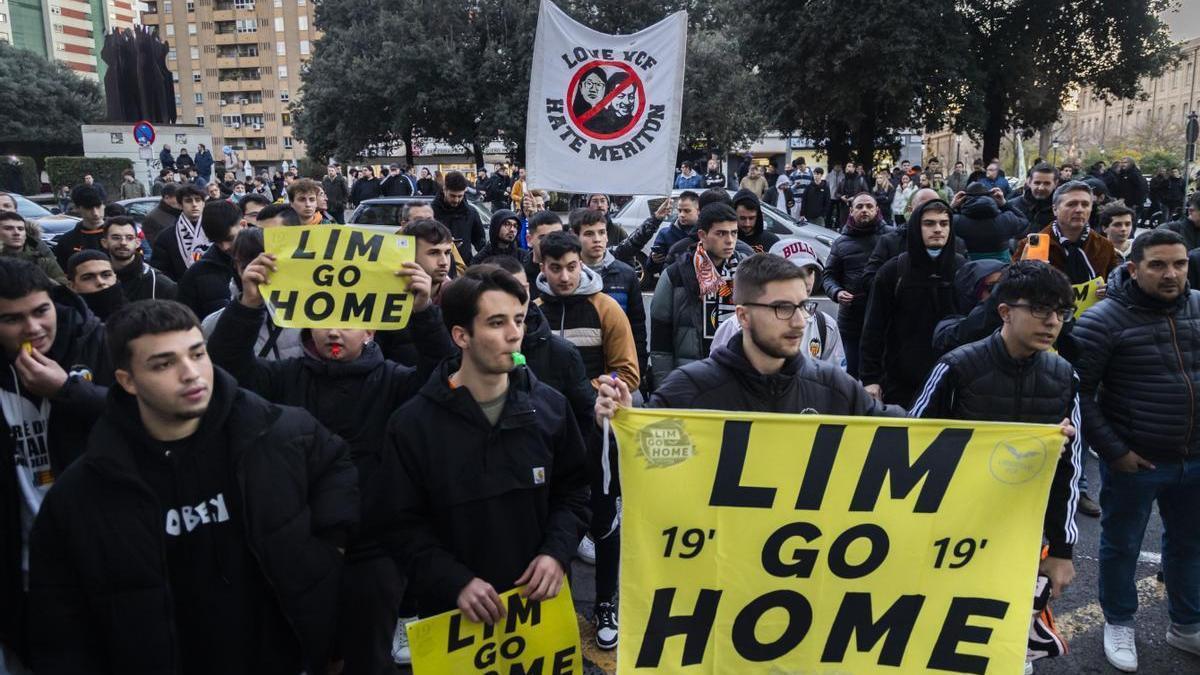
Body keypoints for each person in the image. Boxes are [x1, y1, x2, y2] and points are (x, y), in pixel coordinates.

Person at [28, 299, 358, 674]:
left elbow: (335, 465)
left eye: (197, 354)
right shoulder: (83, 494)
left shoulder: (279, 432)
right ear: (127, 381)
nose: (191, 374)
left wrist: (329, 551)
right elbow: (61, 625)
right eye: (164, 364)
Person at [209, 241, 447, 675]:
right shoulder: (282, 377)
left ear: (371, 331)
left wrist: (425, 311)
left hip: (374, 545)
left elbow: (442, 373)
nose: (333, 332)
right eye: (323, 321)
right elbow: (227, 370)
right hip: (298, 542)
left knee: (368, 657)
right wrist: (246, 305)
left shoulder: (395, 381)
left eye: (348, 323)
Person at [386, 265, 591, 623]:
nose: (515, 335)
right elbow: (399, 525)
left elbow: (574, 493)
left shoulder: (551, 408)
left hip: (540, 612)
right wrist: (454, 582)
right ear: (461, 336)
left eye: (519, 320)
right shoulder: (413, 425)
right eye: (497, 323)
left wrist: (556, 554)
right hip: (453, 618)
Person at [910, 260, 1082, 671]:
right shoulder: (957, 367)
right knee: (936, 612)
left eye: (1061, 311)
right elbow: (909, 446)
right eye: (1041, 310)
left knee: (1007, 611)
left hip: (1020, 531)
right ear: (1005, 312)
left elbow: (1070, 471)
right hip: (950, 525)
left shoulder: (1064, 376)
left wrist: (1061, 550)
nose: (1052, 321)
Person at [1068, 229, 1200, 672]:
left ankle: (1186, 624)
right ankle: (1119, 621)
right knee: (1121, 544)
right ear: (1133, 268)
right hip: (1137, 460)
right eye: (1158, 265)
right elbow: (1079, 394)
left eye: (1178, 264)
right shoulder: (1102, 320)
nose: (1171, 274)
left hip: (1195, 458)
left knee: (1189, 544)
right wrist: (1114, 451)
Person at [0, 258, 113, 672]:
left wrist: (69, 392)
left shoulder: (96, 342)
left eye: (40, 311)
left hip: (99, 563)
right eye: (11, 319)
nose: (32, 329)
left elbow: (144, 416)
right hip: (21, 576)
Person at [860, 199, 963, 406]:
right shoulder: (893, 271)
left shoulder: (962, 268)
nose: (938, 230)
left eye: (944, 223)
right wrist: (870, 379)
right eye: (929, 223)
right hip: (901, 383)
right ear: (917, 226)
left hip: (954, 381)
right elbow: (874, 327)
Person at [482, 255, 594, 431]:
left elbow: (586, 424)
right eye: (502, 294)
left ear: (527, 289)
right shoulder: (468, 353)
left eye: (518, 291)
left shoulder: (562, 354)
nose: (513, 302)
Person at [711, 238, 844, 367]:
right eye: (793, 270)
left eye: (810, 271)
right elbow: (717, 376)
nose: (804, 279)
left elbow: (835, 380)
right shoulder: (737, 325)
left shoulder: (825, 326)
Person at [650, 203, 743, 385]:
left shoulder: (745, 273)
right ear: (702, 235)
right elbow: (661, 342)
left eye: (734, 233)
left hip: (737, 376)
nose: (730, 240)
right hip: (690, 378)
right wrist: (667, 387)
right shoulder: (676, 275)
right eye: (721, 233)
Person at [534, 231, 639, 391]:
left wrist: (586, 391)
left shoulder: (607, 308)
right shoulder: (533, 313)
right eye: (556, 268)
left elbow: (626, 373)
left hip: (594, 412)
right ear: (543, 268)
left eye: (571, 267)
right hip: (545, 413)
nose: (565, 277)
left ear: (581, 265)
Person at [570, 209, 649, 382]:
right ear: (575, 236)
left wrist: (638, 366)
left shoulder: (626, 275)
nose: (597, 239)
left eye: (601, 232)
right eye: (589, 234)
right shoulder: (568, 278)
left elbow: (637, 327)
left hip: (616, 373)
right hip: (580, 371)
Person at [200, 228, 302, 361]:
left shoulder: (308, 315)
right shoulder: (214, 324)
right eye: (247, 265)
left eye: (266, 264)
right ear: (237, 266)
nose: (258, 272)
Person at [823, 193, 891, 377]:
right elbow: (828, 276)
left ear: (877, 210)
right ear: (851, 211)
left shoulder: (892, 238)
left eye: (869, 206)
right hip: (852, 321)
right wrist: (837, 293)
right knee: (851, 375)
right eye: (859, 207)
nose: (864, 210)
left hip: (887, 320)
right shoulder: (840, 243)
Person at [1014, 181, 1120, 289]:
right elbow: (1012, 288)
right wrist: (1023, 273)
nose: (1079, 210)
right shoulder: (1031, 245)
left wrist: (1108, 291)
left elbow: (1117, 287)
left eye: (1085, 204)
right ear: (1055, 209)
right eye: (1071, 204)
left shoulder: (1104, 246)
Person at [177, 199, 246, 320]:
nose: (225, 247)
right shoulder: (196, 273)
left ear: (243, 225)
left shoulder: (269, 257)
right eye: (217, 241)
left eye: (229, 238)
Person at [952, 181, 1029, 261]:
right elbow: (1024, 221)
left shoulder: (957, 221)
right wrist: (1004, 204)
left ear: (964, 199)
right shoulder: (1006, 219)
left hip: (971, 266)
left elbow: (942, 221)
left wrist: (952, 206)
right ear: (991, 197)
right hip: (1002, 266)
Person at [151, 184, 209, 281]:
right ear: (180, 205)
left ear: (203, 203)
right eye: (188, 201)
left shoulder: (217, 230)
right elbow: (161, 272)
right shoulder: (166, 237)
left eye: (198, 200)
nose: (194, 204)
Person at [0, 210, 67, 285]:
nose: (16, 233)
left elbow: (63, 289)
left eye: (20, 229)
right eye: (8, 228)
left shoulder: (43, 260)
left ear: (26, 234)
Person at [433, 171, 487, 262]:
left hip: (464, 267)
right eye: (452, 196)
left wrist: (475, 264)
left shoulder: (471, 213)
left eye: (460, 196)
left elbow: (480, 243)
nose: (456, 200)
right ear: (444, 189)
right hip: (437, 266)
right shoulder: (431, 213)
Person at [52, 185, 106, 270]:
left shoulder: (120, 235)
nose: (95, 213)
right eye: (89, 208)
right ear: (77, 208)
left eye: (98, 206)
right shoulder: (66, 241)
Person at [64, 250, 126, 320]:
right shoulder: (68, 324)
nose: (100, 282)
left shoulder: (137, 316)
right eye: (88, 278)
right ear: (72, 286)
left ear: (115, 277)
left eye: (106, 275)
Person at [524, 211, 565, 302]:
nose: (551, 243)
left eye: (556, 237)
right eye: (543, 238)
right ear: (529, 240)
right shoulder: (520, 278)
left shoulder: (575, 274)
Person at [1011, 163, 1059, 235]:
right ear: (1029, 182)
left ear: (1055, 183)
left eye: (1047, 183)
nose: (1041, 188)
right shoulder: (1012, 206)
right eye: (1037, 183)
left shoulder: (1061, 210)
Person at [731, 188, 780, 254]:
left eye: (751, 218)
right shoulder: (728, 242)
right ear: (734, 216)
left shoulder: (772, 242)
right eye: (742, 218)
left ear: (758, 216)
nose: (747, 224)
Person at [833, 161, 869, 226]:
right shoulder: (842, 180)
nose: (848, 168)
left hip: (857, 207)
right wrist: (841, 197)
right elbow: (836, 193)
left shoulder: (860, 179)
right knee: (844, 226)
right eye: (847, 166)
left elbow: (866, 192)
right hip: (844, 207)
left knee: (856, 225)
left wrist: (855, 197)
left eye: (850, 166)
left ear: (854, 168)